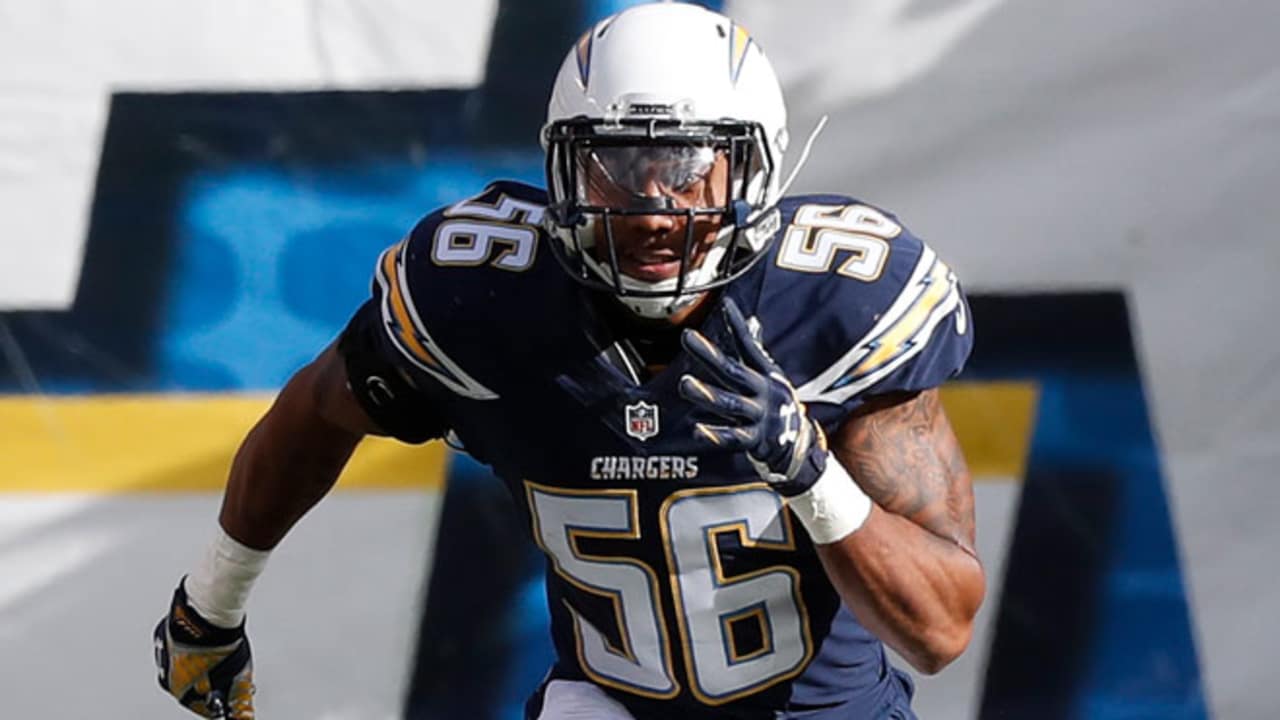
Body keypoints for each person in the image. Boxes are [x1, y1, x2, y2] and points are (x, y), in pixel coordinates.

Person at [152, 3, 984, 718]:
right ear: (564, 166)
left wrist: (811, 475)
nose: (656, 207)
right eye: (619, 165)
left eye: (690, 167)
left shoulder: (835, 309)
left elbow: (940, 629)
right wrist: (211, 603)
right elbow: (317, 410)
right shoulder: (481, 299)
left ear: (753, 166)